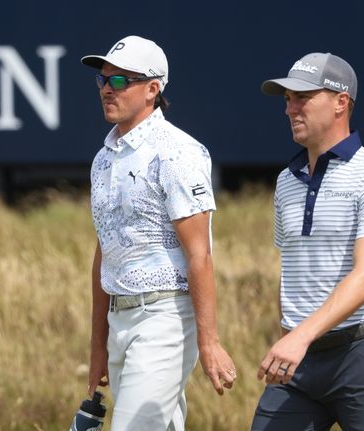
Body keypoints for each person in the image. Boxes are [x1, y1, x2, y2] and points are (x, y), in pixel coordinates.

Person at [250, 52, 364, 430]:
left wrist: (299, 337)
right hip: (301, 362)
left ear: (341, 102)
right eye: (287, 99)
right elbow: (290, 269)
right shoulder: (285, 181)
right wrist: (289, 336)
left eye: (302, 97)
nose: (290, 108)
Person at [80, 35, 237, 430]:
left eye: (120, 81)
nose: (107, 90)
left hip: (165, 317)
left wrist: (209, 342)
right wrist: (98, 345)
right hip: (121, 319)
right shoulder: (102, 160)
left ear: (153, 89)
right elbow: (106, 251)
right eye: (103, 81)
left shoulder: (177, 152)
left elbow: (199, 253)